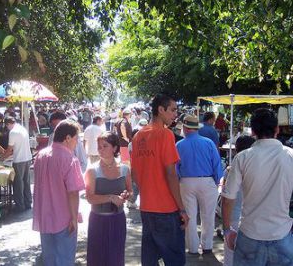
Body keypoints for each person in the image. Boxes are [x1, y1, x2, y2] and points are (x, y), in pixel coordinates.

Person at [221, 108, 293, 266]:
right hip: (282, 235)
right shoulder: (290, 156)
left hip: (250, 235)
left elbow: (227, 200)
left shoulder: (242, 157)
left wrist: (227, 230)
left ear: (253, 131)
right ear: (277, 129)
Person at [131, 94, 188, 266]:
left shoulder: (138, 136)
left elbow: (134, 174)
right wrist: (182, 209)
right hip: (166, 208)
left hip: (147, 207)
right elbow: (171, 174)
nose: (175, 115)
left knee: (149, 259)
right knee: (175, 259)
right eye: (172, 110)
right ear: (160, 110)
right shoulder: (165, 134)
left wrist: (148, 190)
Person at [33, 120, 85, 266]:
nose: (77, 142)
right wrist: (74, 218)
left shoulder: (41, 155)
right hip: (63, 217)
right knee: (64, 259)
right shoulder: (69, 158)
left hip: (44, 216)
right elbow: (73, 192)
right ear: (67, 138)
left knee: (49, 259)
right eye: (76, 138)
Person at [176, 115, 223, 255]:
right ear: (197, 128)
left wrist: (180, 180)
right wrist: (215, 181)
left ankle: (192, 248)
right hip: (207, 180)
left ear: (185, 128)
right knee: (208, 215)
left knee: (189, 215)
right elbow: (217, 164)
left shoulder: (178, 145)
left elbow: (175, 168)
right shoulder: (208, 143)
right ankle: (207, 246)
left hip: (186, 182)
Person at [85, 132, 132, 266]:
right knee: (98, 256)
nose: (100, 149)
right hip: (99, 220)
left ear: (115, 148)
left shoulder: (124, 169)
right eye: (99, 147)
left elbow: (130, 191)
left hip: (118, 218)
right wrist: (111, 198)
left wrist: (126, 195)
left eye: (105, 146)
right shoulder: (92, 171)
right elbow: (90, 198)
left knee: (116, 256)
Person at [222, 135, 255, 266]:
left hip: (233, 217)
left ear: (236, 149)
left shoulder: (230, 169)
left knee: (230, 254)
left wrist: (226, 228)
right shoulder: (256, 169)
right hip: (249, 219)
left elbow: (226, 199)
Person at [0, 116, 33, 212]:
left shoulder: (13, 132)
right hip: (27, 158)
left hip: (19, 160)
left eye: (7, 126)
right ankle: (28, 203)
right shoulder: (22, 128)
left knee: (18, 184)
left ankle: (20, 206)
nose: (7, 128)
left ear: (8, 124)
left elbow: (9, 150)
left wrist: (1, 158)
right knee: (26, 182)